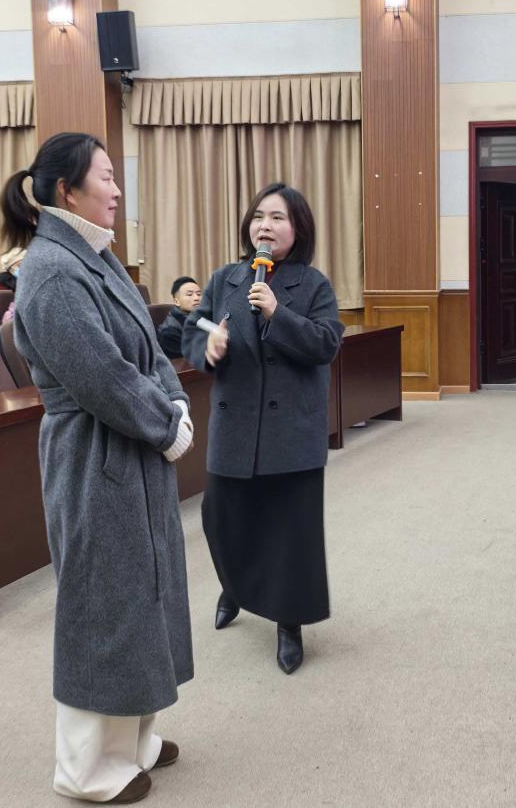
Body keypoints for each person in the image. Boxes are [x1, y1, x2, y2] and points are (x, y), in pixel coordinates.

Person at [1, 132, 194, 804]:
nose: (116, 189)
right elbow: (101, 377)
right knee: (102, 604)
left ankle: (132, 742)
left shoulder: (96, 255)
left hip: (133, 446)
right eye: (106, 177)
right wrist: (166, 424)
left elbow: (147, 350)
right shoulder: (51, 270)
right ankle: (85, 769)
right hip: (92, 456)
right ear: (67, 190)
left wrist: (173, 402)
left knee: (143, 594)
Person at [183, 183, 344, 676]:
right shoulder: (225, 278)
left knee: (289, 531)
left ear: (298, 229)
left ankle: (288, 623)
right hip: (235, 424)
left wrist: (277, 312)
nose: (265, 226)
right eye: (258, 217)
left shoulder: (313, 285)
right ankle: (236, 586)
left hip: (291, 428)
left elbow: (326, 344)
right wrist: (207, 348)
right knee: (221, 518)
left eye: (277, 218)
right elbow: (194, 330)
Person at [156, 276, 201, 360]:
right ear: (176, 301)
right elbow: (183, 365)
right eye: (189, 294)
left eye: (199, 294)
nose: (197, 298)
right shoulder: (169, 333)